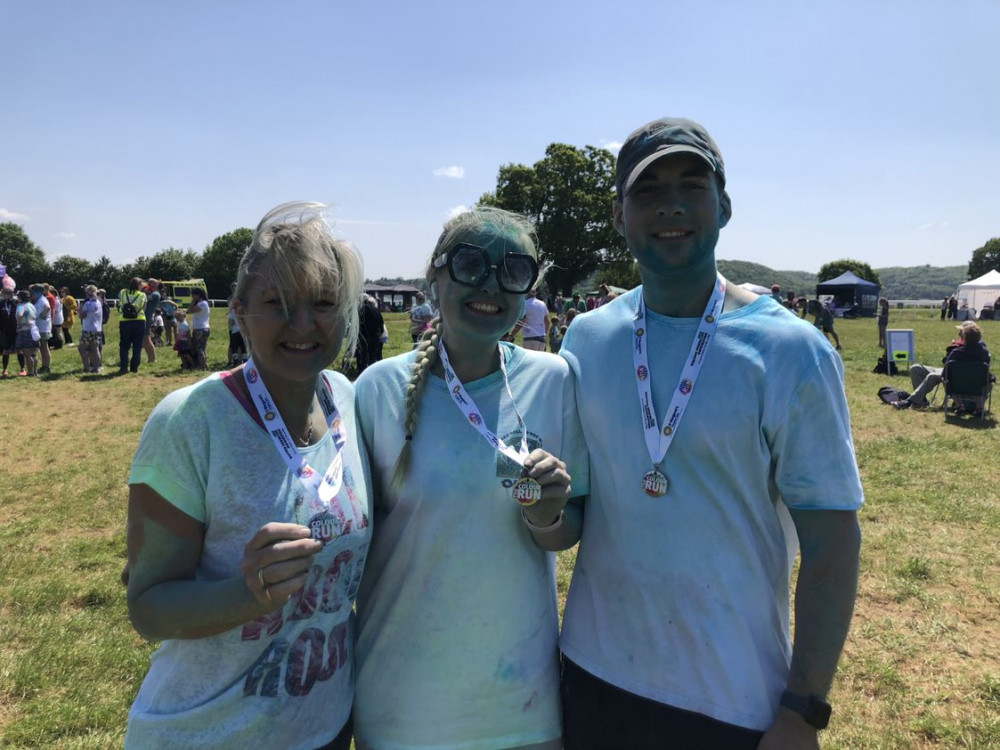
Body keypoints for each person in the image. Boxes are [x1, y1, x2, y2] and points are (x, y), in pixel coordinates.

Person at [557, 117, 863, 750]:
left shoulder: (791, 351)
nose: (670, 204)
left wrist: (804, 709)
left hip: (732, 699)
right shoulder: (585, 339)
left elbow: (832, 541)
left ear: (724, 205)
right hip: (592, 677)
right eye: (647, 190)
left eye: (691, 185)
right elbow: (576, 513)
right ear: (619, 215)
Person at [124, 201, 371, 749]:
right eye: (276, 303)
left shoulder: (348, 401)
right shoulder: (190, 419)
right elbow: (148, 607)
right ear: (238, 311)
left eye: (324, 303)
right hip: (210, 733)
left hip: (325, 728)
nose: (303, 325)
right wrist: (247, 593)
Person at [352, 206, 588, 750]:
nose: (490, 284)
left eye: (513, 270)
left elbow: (568, 529)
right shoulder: (375, 390)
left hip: (518, 704)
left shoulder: (554, 381)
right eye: (470, 263)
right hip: (402, 702)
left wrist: (546, 516)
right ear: (434, 276)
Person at [893, 321, 990, 410]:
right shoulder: (984, 352)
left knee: (932, 376)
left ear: (966, 335)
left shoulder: (958, 351)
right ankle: (921, 401)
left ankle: (910, 401)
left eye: (961, 331)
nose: (959, 334)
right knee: (916, 368)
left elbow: (947, 369)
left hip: (952, 375)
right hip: (953, 372)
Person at [118, 278, 148, 374]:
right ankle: (134, 367)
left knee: (124, 346)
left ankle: (123, 367)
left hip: (124, 321)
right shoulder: (142, 295)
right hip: (139, 321)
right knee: (137, 345)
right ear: (139, 285)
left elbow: (120, 303)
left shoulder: (123, 292)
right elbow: (144, 307)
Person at [354, 295, 384, 374]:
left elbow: (357, 324)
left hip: (364, 336)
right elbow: (381, 324)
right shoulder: (376, 310)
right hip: (375, 335)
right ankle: (372, 372)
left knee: (362, 355)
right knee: (373, 356)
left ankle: (361, 373)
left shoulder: (360, 309)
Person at [0, 286, 25, 377]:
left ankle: (22, 369)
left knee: (19, 350)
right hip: (5, 331)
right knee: (5, 351)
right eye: (5, 293)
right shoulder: (1, 304)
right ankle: (5, 370)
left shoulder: (16, 303)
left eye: (9, 293)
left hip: (16, 330)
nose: (7, 295)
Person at [78, 285, 104, 374]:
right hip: (97, 328)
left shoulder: (88, 304)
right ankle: (96, 367)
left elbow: (82, 315)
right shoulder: (99, 302)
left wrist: (79, 310)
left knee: (82, 348)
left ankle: (86, 367)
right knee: (95, 348)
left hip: (88, 328)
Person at [515, 286, 550, 351]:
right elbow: (547, 322)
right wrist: (544, 334)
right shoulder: (542, 304)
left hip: (529, 336)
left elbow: (522, 321)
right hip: (541, 337)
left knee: (530, 360)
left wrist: (512, 334)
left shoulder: (525, 304)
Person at [15, 289, 40, 377]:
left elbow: (19, 315)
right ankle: (35, 371)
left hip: (24, 330)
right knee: (34, 353)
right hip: (34, 330)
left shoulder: (21, 306)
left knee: (27, 354)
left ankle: (30, 372)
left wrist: (18, 323)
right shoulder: (31, 305)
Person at [29, 284, 53, 373]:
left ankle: (46, 367)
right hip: (41, 327)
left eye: (32, 293)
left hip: (43, 328)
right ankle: (45, 366)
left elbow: (35, 315)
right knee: (43, 347)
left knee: (44, 347)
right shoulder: (40, 300)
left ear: (37, 293)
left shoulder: (42, 302)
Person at [188, 287, 211, 370]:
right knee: (203, 347)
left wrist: (193, 302)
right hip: (205, 327)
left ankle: (202, 366)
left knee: (199, 348)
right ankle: (205, 364)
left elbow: (189, 310)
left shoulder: (202, 304)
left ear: (198, 295)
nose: (192, 297)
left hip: (200, 328)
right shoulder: (205, 303)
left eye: (193, 295)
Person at [142, 279, 162, 364]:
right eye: (150, 283)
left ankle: (153, 359)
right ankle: (150, 359)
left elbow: (145, 298)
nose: (151, 284)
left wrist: (142, 291)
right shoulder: (152, 293)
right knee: (145, 339)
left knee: (147, 338)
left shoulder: (156, 294)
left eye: (154, 283)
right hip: (146, 317)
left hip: (148, 318)